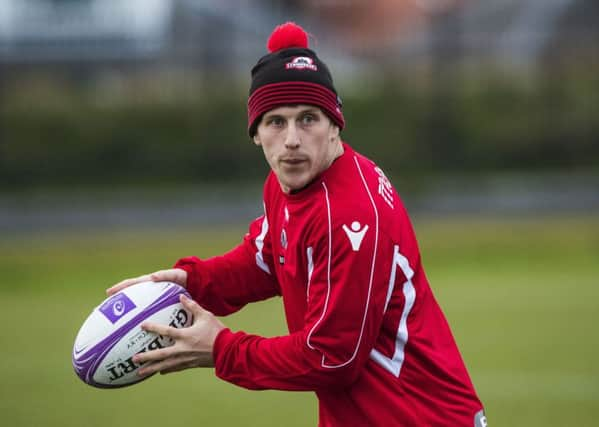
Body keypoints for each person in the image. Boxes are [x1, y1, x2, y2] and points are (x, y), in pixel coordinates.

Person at [107, 22, 487, 427]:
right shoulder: (287, 182)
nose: (291, 139)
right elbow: (266, 260)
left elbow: (333, 357)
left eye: (308, 119)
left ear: (335, 125)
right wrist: (189, 284)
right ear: (255, 134)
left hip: (419, 418)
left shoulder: (349, 216)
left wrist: (222, 349)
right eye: (275, 122)